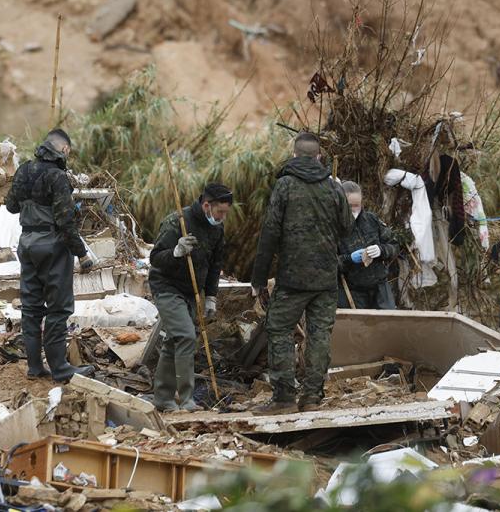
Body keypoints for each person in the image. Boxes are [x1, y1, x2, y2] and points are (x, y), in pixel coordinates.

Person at [250, 132, 352, 415]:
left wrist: (258, 279)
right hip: (325, 279)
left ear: (295, 155)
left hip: (292, 278)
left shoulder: (284, 186)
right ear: (319, 157)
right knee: (319, 335)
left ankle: (284, 398)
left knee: (280, 330)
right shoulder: (334, 188)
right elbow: (347, 228)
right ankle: (312, 398)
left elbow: (269, 234)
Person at [5, 128, 95, 383]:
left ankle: (34, 367)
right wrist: (82, 254)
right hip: (52, 245)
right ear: (63, 150)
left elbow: (11, 206)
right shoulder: (57, 177)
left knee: (31, 307)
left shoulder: (23, 170)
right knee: (58, 307)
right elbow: (66, 222)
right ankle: (60, 368)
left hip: (27, 243)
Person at [148, 183, 232, 412]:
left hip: (191, 290)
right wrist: (176, 252)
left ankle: (163, 398)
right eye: (220, 212)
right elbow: (155, 258)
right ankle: (186, 399)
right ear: (206, 205)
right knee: (185, 336)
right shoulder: (178, 221)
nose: (222, 217)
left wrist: (212, 296)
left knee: (173, 341)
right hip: (166, 286)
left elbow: (216, 264)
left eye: (226, 213)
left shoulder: (217, 229)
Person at [338, 181, 399, 309]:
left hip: (380, 288)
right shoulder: (334, 228)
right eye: (349, 206)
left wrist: (381, 250)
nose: (353, 210)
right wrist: (349, 259)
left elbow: (394, 246)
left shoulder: (371, 220)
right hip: (353, 291)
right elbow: (327, 264)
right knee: (358, 327)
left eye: (357, 205)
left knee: (388, 325)